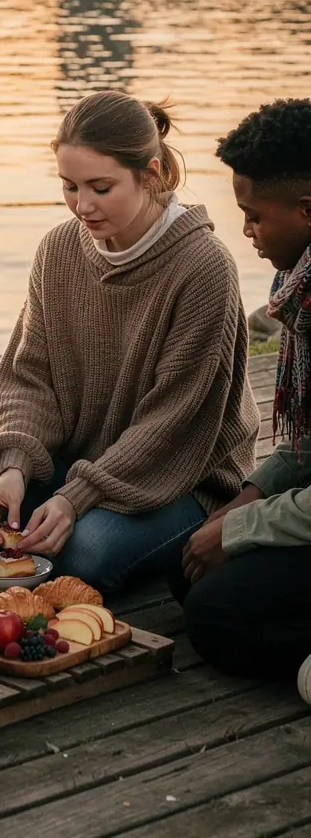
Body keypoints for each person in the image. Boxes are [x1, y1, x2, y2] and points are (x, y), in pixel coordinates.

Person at [0, 90, 259, 594]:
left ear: (150, 174)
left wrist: (75, 498)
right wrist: (16, 466)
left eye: (101, 188)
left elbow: (173, 424)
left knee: (84, 555)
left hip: (181, 476)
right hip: (79, 460)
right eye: (69, 187)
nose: (82, 206)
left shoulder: (204, 268)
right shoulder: (59, 249)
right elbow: (29, 377)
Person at [177, 99, 311, 695]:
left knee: (216, 617)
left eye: (254, 216)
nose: (247, 233)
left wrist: (240, 528)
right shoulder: (299, 287)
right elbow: (307, 448)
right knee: (191, 573)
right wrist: (243, 504)